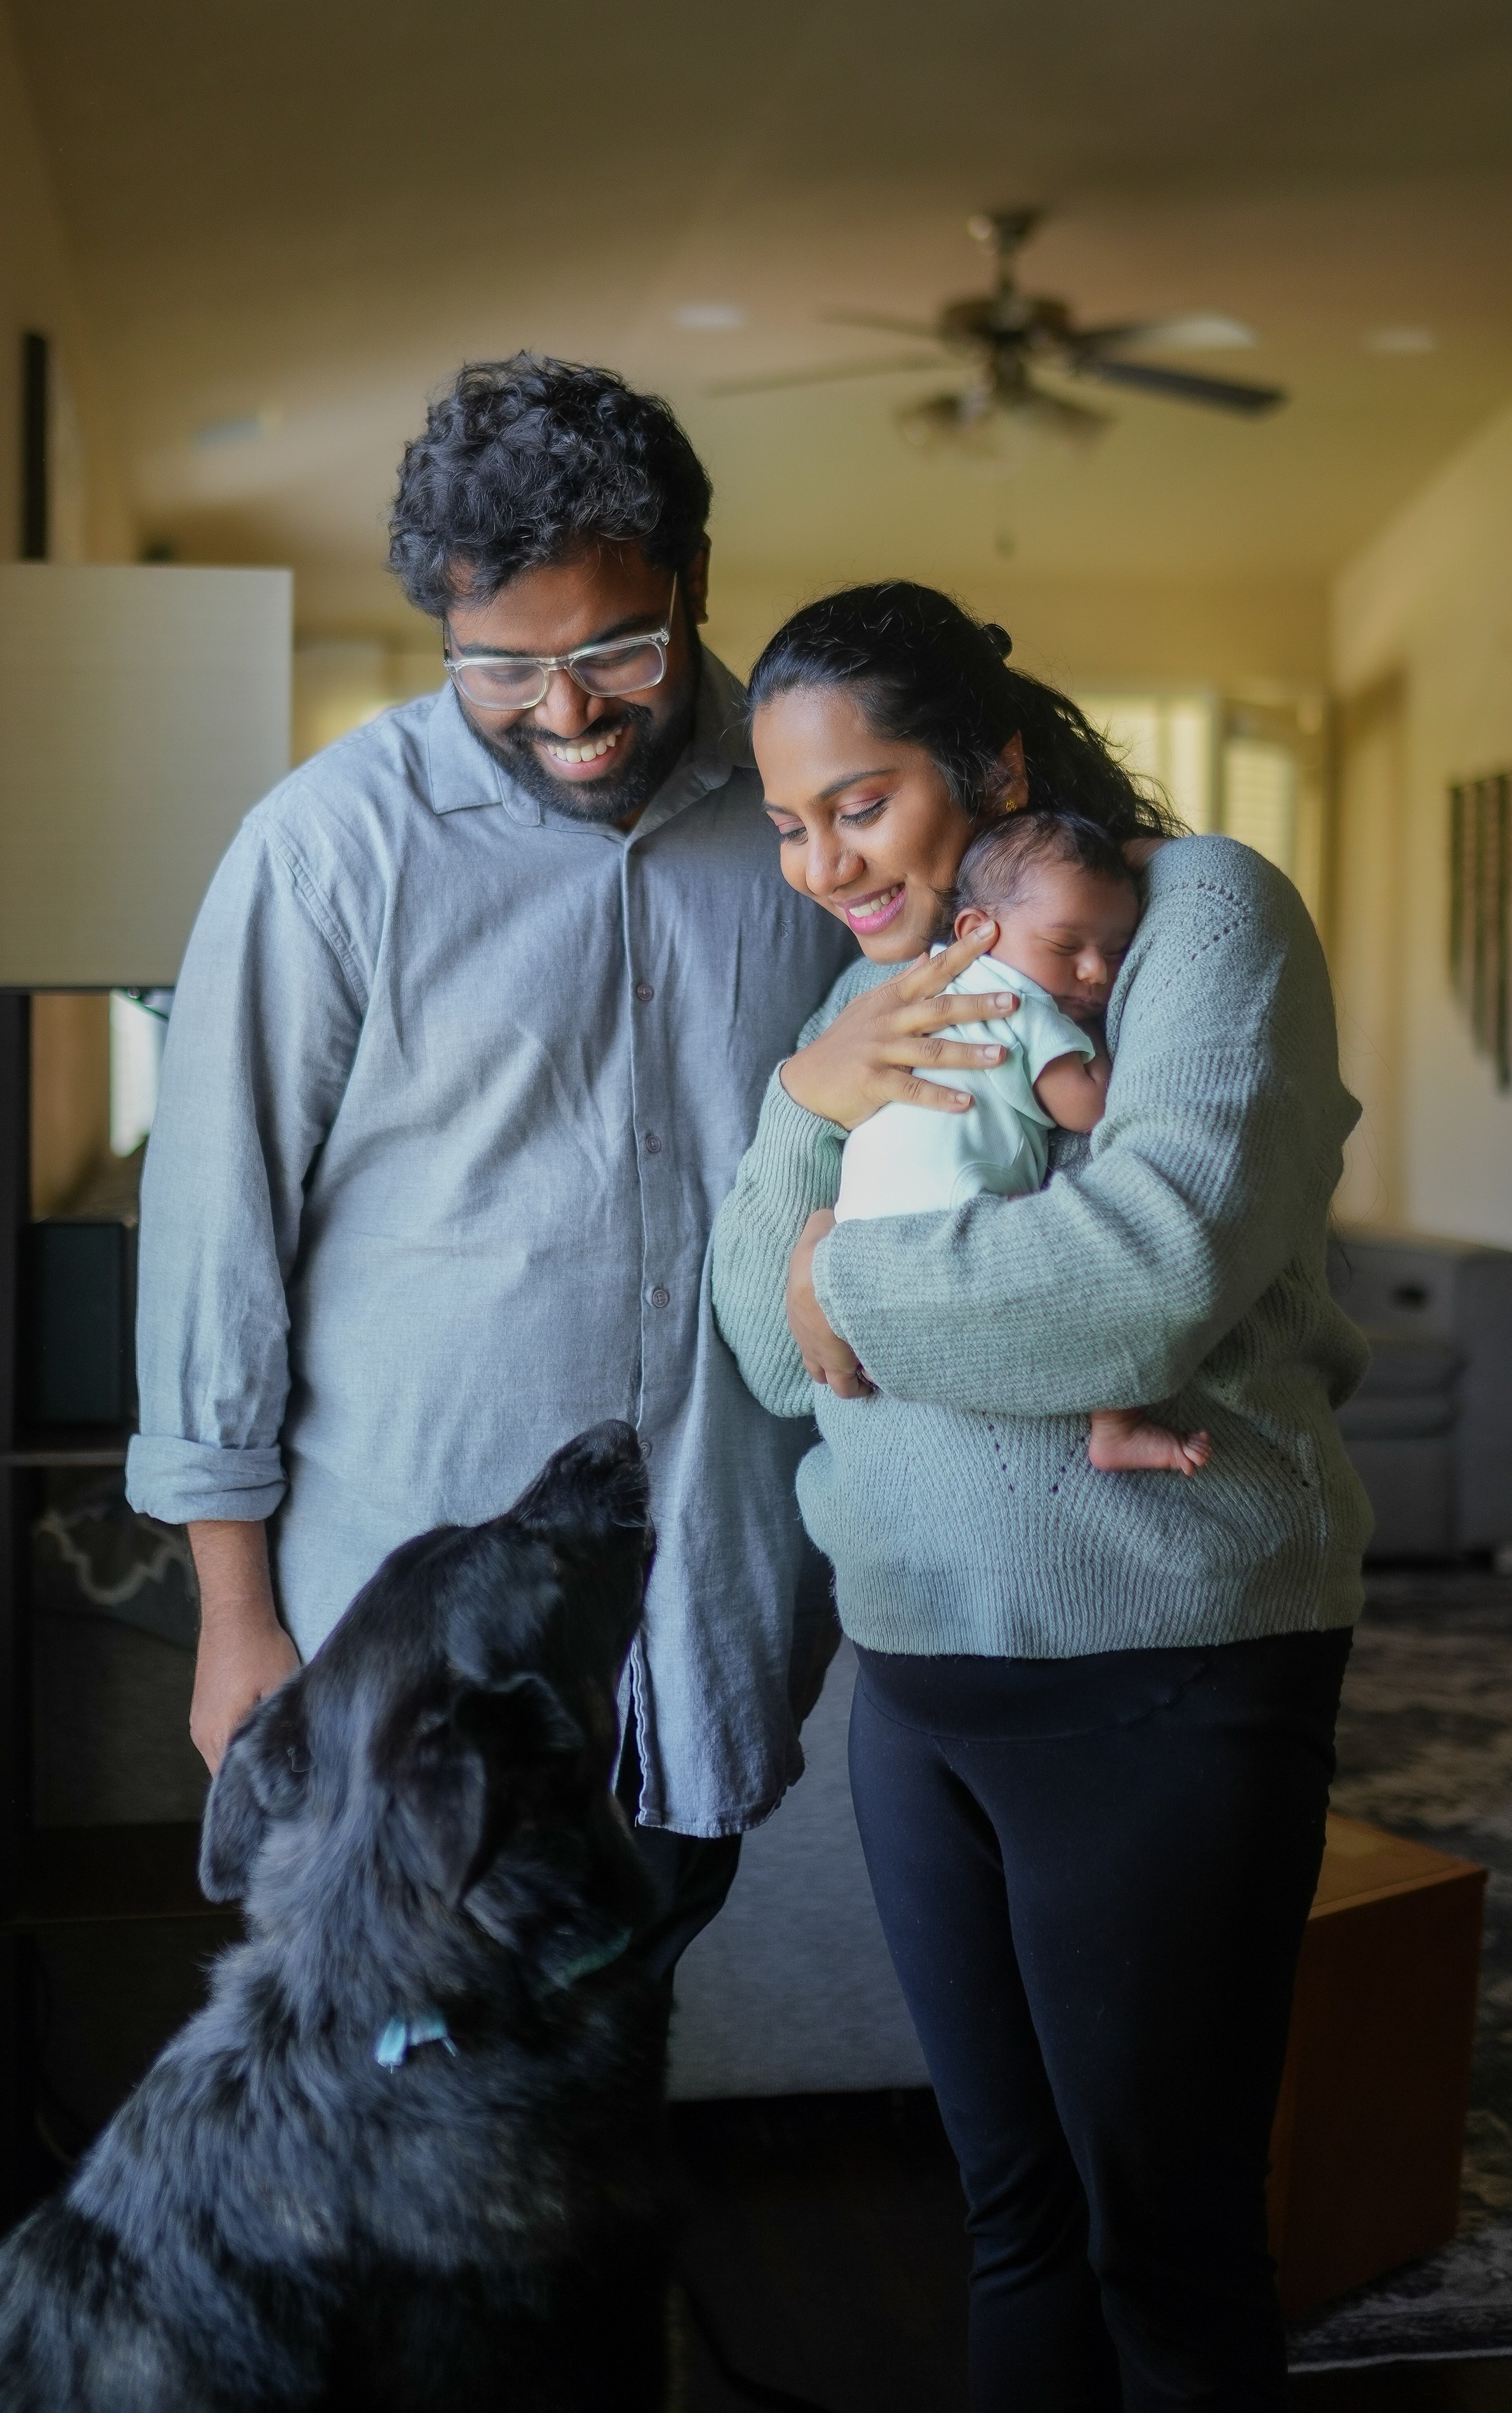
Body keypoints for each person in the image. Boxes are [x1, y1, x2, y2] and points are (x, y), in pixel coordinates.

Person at [710, 581, 1373, 2408]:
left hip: (1157, 1666)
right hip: (918, 1676)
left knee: (1162, 2236)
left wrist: (835, 1282)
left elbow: (1143, 1266)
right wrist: (800, 1096)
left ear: (990, 762)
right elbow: (764, 1365)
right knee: (1007, 2215)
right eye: (785, 821)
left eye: (859, 802)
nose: (819, 859)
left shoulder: (1193, 913)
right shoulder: (866, 998)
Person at [126, 354, 855, 1978]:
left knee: (616, 2061)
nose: (570, 709)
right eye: (501, 668)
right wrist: (234, 1613)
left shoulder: (816, 820)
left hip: (710, 1611)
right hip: (411, 1667)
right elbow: (214, 1236)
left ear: (696, 584)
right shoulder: (329, 848)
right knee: (397, 2115)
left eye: (617, 648)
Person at [834, 810, 1211, 1476]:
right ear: (976, 931)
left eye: (1117, 951)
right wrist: (1101, 1042)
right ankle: (1115, 1423)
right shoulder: (1018, 1003)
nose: (1095, 972)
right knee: (1095, 1290)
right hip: (954, 1220)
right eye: (1066, 948)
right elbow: (1087, 1107)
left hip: (865, 1228)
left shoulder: (918, 988)